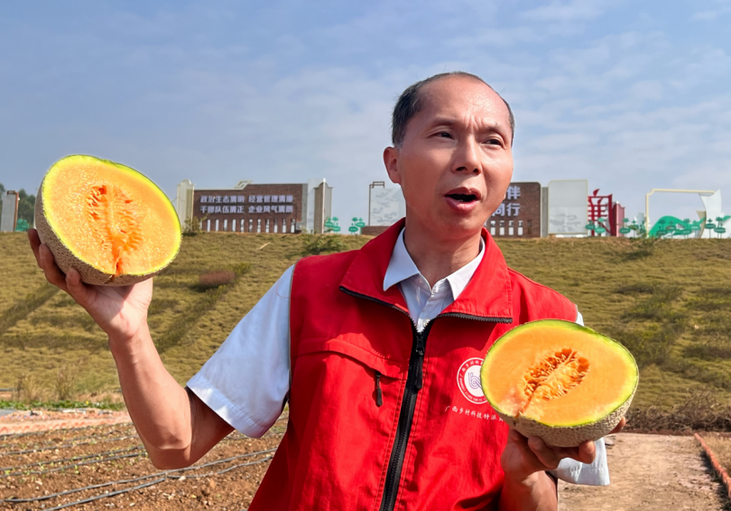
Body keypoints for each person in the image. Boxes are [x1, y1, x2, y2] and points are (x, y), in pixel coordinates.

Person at [30, 71, 622, 510]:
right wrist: (129, 333)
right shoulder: (310, 288)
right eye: (444, 134)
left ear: (509, 168)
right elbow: (175, 445)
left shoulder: (548, 322)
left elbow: (539, 500)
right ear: (393, 162)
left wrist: (521, 476)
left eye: (493, 141)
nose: (469, 159)